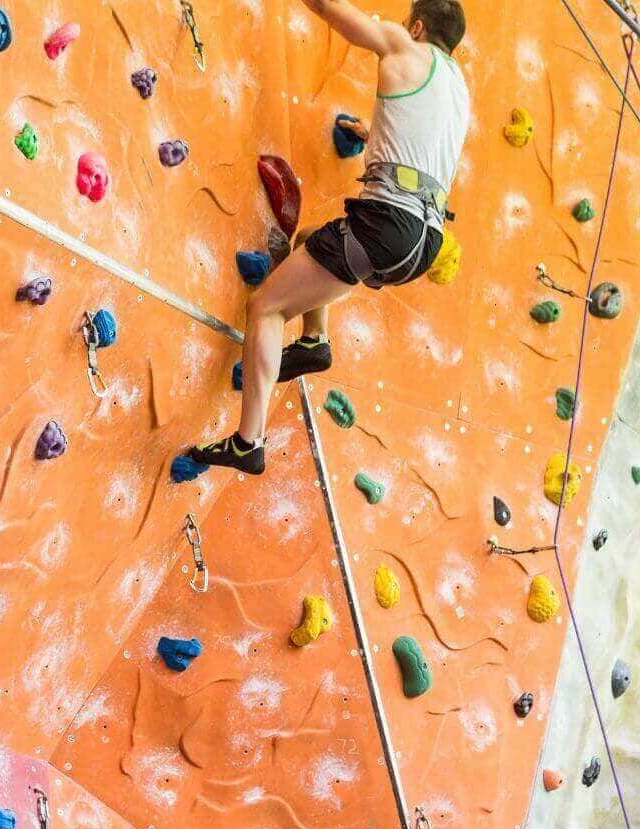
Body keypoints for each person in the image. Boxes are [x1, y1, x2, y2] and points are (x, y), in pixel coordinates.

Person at [184, 0, 469, 475]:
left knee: (265, 308)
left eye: (405, 24)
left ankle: (247, 442)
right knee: (314, 240)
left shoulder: (404, 45)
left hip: (386, 224)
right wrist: (374, 131)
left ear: (417, 26)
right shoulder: (458, 89)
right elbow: (419, 137)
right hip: (423, 240)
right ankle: (314, 342)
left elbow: (335, 14)